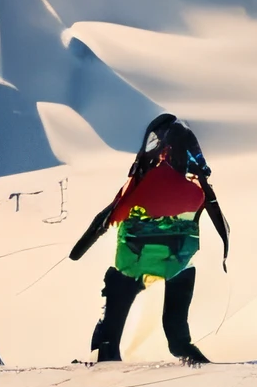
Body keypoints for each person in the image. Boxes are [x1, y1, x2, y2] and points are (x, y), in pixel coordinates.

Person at [70, 112, 230, 364]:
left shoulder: (141, 182)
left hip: (134, 259)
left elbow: (109, 216)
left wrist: (78, 250)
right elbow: (214, 214)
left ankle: (107, 347)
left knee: (119, 284)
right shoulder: (196, 189)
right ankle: (182, 346)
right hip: (176, 260)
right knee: (178, 307)